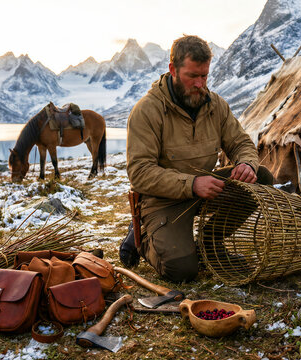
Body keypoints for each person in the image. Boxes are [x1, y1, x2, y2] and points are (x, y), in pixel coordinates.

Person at [121, 35, 273, 283]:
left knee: (261, 177)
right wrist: (191, 184)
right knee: (182, 271)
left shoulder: (216, 105)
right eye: (192, 76)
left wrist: (246, 163)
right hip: (163, 200)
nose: (200, 84)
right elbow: (139, 173)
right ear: (172, 69)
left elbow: (241, 143)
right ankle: (142, 238)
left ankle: (211, 241)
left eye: (204, 76)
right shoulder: (147, 110)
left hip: (207, 189)